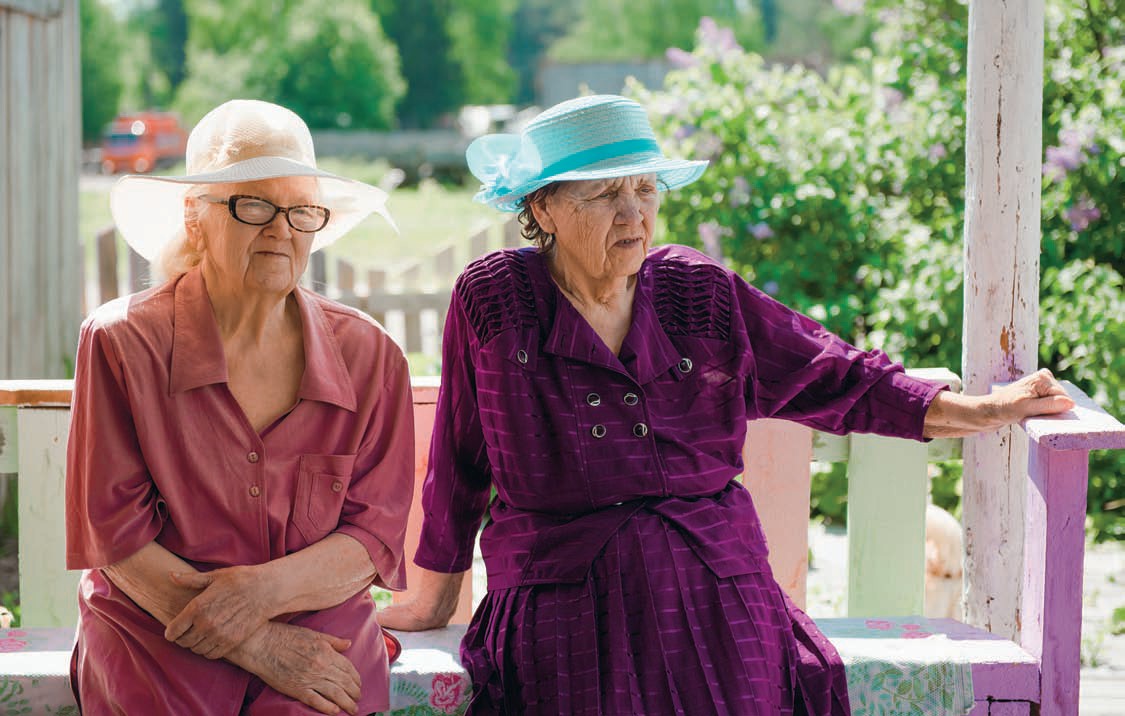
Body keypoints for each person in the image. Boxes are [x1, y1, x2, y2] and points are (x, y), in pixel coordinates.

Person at [376, 95, 1075, 715]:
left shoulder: (697, 292)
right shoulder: (496, 300)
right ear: (542, 209)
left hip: (711, 586)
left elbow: (834, 375)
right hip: (560, 590)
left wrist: (983, 410)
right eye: (604, 194)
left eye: (644, 188)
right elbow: (459, 460)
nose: (634, 213)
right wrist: (434, 601)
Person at [65, 99, 413, 716]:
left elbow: (373, 537)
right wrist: (259, 644)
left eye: (300, 209)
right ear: (195, 218)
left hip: (322, 641)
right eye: (253, 204)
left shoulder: (371, 356)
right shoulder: (122, 343)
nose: (281, 229)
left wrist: (257, 597)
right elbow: (113, 539)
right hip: (159, 632)